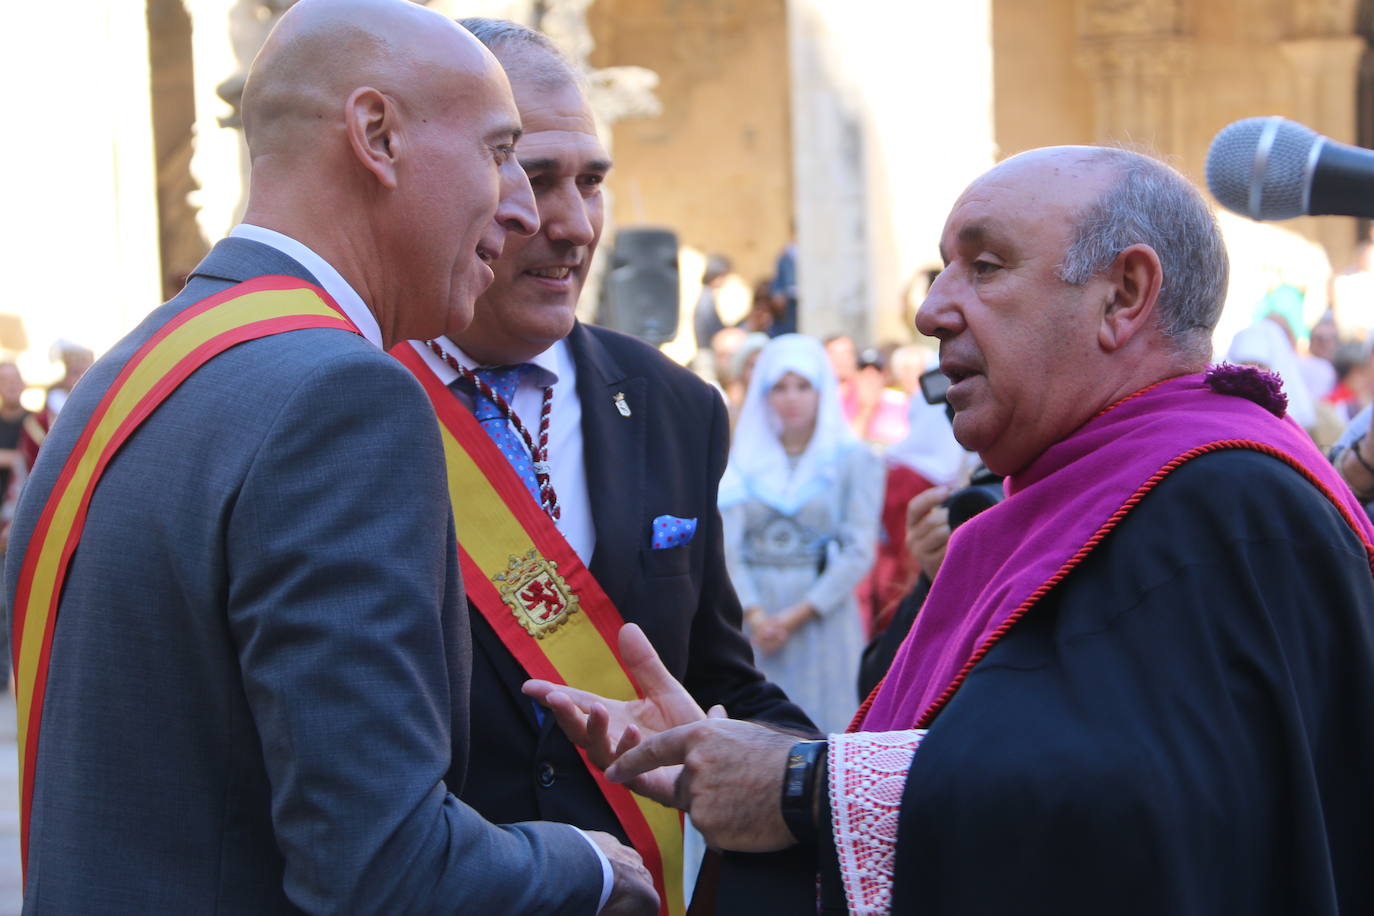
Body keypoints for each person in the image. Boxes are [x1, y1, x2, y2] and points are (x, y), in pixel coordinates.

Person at [529, 146, 1374, 915]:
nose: (932, 310)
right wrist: (736, 756)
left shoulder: (1227, 504)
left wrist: (803, 789)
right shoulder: (1070, 495)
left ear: (1123, 295)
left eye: (985, 266)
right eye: (942, 271)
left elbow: (1152, 828)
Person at [5, 1, 658, 912]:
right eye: (498, 151)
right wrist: (589, 865)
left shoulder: (132, 368)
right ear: (376, 136)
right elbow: (382, 872)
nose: (520, 209)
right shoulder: (342, 398)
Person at [392, 19, 813, 914]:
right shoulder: (346, 396)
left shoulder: (677, 407)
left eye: (591, 181)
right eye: (535, 177)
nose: (574, 225)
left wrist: (822, 779)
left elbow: (709, 672)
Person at [719, 334, 881, 732]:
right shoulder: (746, 458)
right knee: (758, 727)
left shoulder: (853, 458)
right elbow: (728, 545)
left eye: (803, 386)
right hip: (755, 615)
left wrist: (796, 615)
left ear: (821, 390)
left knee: (822, 724)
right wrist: (756, 615)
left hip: (821, 615)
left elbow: (859, 547)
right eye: (779, 386)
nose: (791, 397)